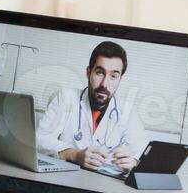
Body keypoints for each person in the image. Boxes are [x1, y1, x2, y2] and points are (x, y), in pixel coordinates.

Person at [37, 40, 148, 172]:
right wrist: (75, 155)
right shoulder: (66, 98)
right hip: (65, 179)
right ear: (88, 72)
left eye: (113, 76)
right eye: (100, 72)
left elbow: (141, 153)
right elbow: (39, 140)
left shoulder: (128, 111)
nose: (104, 84)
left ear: (119, 80)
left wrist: (134, 162)